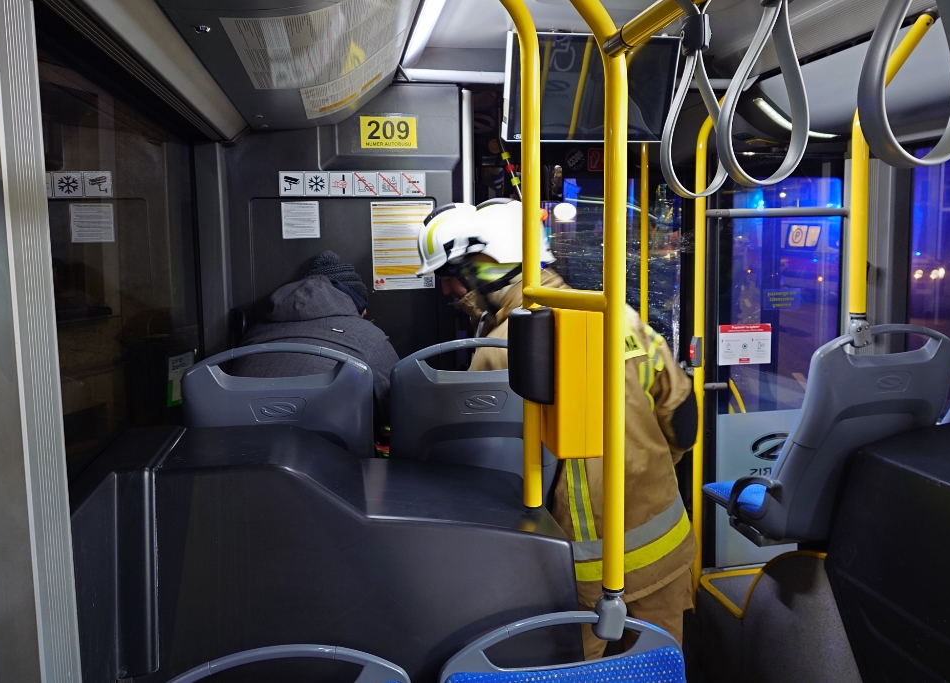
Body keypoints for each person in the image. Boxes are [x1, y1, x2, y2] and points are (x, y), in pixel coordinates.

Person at [416, 199, 698, 656]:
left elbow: (479, 480)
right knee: (658, 666)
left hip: (574, 575)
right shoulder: (621, 318)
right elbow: (682, 419)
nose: (447, 288)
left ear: (491, 267)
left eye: (453, 274)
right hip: (666, 545)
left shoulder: (497, 351)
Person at [232, 251, 399, 432]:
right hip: (334, 447)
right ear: (356, 304)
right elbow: (399, 409)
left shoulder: (254, 333)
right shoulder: (366, 336)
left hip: (242, 443)